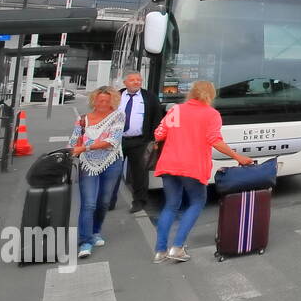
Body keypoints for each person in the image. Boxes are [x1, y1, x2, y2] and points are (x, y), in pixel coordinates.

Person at [151, 80, 254, 264]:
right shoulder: (211, 114)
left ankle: (160, 251)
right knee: (197, 202)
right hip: (192, 166)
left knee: (170, 206)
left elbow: (159, 134)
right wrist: (238, 157)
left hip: (169, 163)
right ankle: (178, 247)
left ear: (191, 93)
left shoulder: (176, 110)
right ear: (211, 95)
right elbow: (215, 140)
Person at [70, 86, 126, 259]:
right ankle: (85, 241)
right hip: (88, 163)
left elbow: (112, 141)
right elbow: (73, 141)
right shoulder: (83, 119)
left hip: (112, 162)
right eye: (100, 100)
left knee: (104, 201)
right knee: (89, 203)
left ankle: (95, 232)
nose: (103, 103)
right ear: (94, 100)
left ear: (113, 102)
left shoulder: (118, 116)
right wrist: (74, 148)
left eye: (107, 101)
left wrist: (85, 147)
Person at [117, 71, 164, 214]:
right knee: (113, 172)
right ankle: (108, 200)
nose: (137, 82)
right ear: (125, 82)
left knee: (140, 173)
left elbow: (157, 117)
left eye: (139, 80)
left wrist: (154, 139)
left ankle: (139, 201)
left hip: (140, 141)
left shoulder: (149, 97)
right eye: (132, 80)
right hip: (117, 141)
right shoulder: (116, 96)